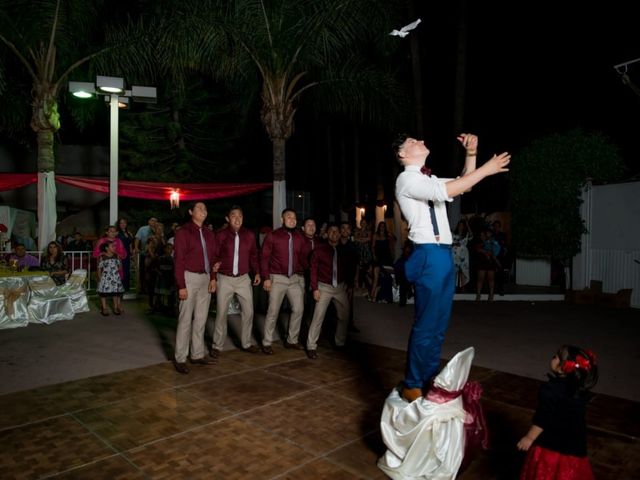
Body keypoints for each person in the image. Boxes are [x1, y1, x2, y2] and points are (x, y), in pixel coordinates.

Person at [393, 132, 510, 402]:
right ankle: (412, 383)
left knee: (438, 325)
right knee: (426, 324)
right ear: (403, 154)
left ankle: (429, 378)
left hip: (442, 255)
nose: (419, 140)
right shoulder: (406, 178)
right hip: (428, 255)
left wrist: (471, 154)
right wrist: (487, 169)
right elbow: (449, 191)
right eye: (411, 141)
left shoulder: (428, 178)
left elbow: (462, 185)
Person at [517, 345, 598, 480]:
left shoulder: (550, 390)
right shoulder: (579, 390)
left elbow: (543, 417)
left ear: (563, 367)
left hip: (551, 443)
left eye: (556, 357)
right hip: (574, 445)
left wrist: (529, 437)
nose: (552, 358)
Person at [172, 202, 218, 374]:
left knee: (201, 318)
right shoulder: (183, 232)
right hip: (189, 277)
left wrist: (213, 278)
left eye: (205, 208)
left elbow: (213, 258)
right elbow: (179, 261)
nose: (203, 211)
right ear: (191, 212)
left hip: (205, 277)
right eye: (199, 208)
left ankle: (197, 354)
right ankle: (180, 358)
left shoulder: (209, 233)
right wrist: (181, 286)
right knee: (185, 320)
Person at [211, 205, 261, 358]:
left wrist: (257, 272)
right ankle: (217, 346)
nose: (237, 219)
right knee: (221, 313)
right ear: (228, 218)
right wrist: (213, 278)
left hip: (243, 279)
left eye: (240, 216)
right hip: (224, 278)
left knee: (249, 312)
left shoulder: (250, 235)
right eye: (234, 216)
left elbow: (253, 255)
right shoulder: (220, 235)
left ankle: (246, 343)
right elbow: (214, 257)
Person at [259, 208, 310, 355]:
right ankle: (267, 342)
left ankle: (292, 340)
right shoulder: (273, 236)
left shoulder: (300, 238)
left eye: (294, 217)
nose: (292, 219)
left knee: (299, 309)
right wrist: (266, 278)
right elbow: (264, 257)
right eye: (289, 217)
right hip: (277, 278)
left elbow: (303, 259)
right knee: (273, 311)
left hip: (294, 279)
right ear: (282, 219)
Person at [305, 223, 356, 359]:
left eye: (337, 231)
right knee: (318, 317)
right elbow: (313, 271)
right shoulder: (319, 250)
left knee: (344, 316)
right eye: (332, 231)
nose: (335, 234)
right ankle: (311, 346)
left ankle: (340, 342)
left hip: (339, 287)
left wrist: (349, 285)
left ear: (340, 234)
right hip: (324, 287)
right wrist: (315, 288)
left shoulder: (344, 251)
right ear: (327, 234)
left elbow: (349, 269)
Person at [96, 241, 124, 316]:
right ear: (106, 248)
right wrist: (99, 278)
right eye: (112, 246)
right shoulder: (102, 256)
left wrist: (119, 261)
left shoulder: (116, 255)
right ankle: (104, 308)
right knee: (103, 293)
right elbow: (99, 268)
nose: (114, 248)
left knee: (115, 292)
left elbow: (120, 267)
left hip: (115, 277)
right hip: (105, 277)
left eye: (115, 246)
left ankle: (115, 307)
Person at [134, 217, 158, 293]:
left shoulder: (158, 229)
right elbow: (137, 239)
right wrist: (136, 247)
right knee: (143, 270)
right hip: (144, 253)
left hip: (155, 254)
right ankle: (143, 288)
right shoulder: (142, 229)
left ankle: (153, 288)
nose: (153, 222)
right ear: (148, 221)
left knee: (153, 271)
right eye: (152, 220)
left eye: (155, 221)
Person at [452, 218, 472, 292]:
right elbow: (449, 243)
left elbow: (471, 236)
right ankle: (454, 288)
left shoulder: (466, 234)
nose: (461, 226)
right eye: (460, 225)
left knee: (464, 270)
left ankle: (463, 288)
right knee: (454, 271)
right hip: (455, 254)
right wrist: (455, 243)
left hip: (463, 254)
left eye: (462, 225)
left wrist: (467, 224)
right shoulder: (453, 234)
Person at [116, 218, 135, 292]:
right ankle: (120, 288)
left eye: (124, 223)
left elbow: (130, 244)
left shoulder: (129, 233)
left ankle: (126, 288)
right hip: (120, 254)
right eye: (121, 223)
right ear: (119, 224)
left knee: (127, 271)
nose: (123, 224)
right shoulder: (117, 233)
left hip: (127, 254)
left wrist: (132, 253)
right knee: (121, 271)